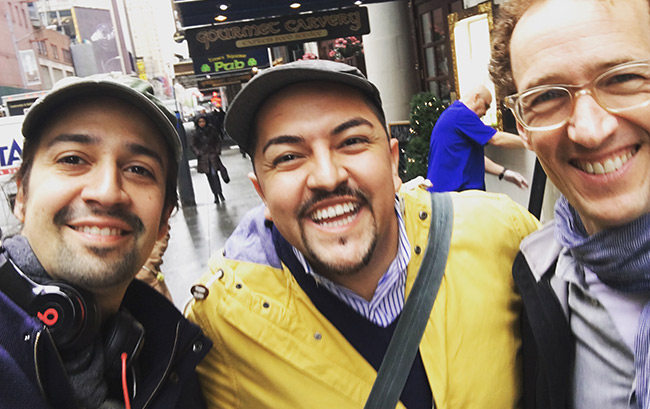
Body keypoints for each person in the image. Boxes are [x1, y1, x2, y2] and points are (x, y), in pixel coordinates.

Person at [185, 59, 540, 408]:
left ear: (393, 162)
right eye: (289, 157)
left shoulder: (503, 235)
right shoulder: (221, 325)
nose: (327, 177)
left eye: (352, 141)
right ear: (262, 193)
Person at [0, 73, 211, 408]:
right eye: (72, 159)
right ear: (21, 196)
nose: (107, 192)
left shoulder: (175, 360)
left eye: (139, 169)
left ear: (163, 221)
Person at [488, 0, 650, 408]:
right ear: (523, 128)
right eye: (546, 96)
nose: (591, 130)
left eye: (623, 77)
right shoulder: (537, 277)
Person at [426, 84, 529, 192]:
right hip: (454, 194)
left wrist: (505, 173)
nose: (485, 112)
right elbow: (497, 139)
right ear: (476, 97)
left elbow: (475, 159)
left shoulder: (453, 113)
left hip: (446, 193)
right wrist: (530, 141)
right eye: (486, 106)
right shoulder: (461, 114)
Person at [190, 114, 228, 203]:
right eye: (200, 122)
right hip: (203, 158)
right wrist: (198, 152)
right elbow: (193, 145)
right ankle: (216, 194)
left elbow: (217, 141)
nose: (201, 123)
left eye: (203, 121)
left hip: (212, 155)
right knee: (210, 176)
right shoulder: (195, 133)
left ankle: (220, 193)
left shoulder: (211, 130)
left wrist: (217, 151)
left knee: (214, 174)